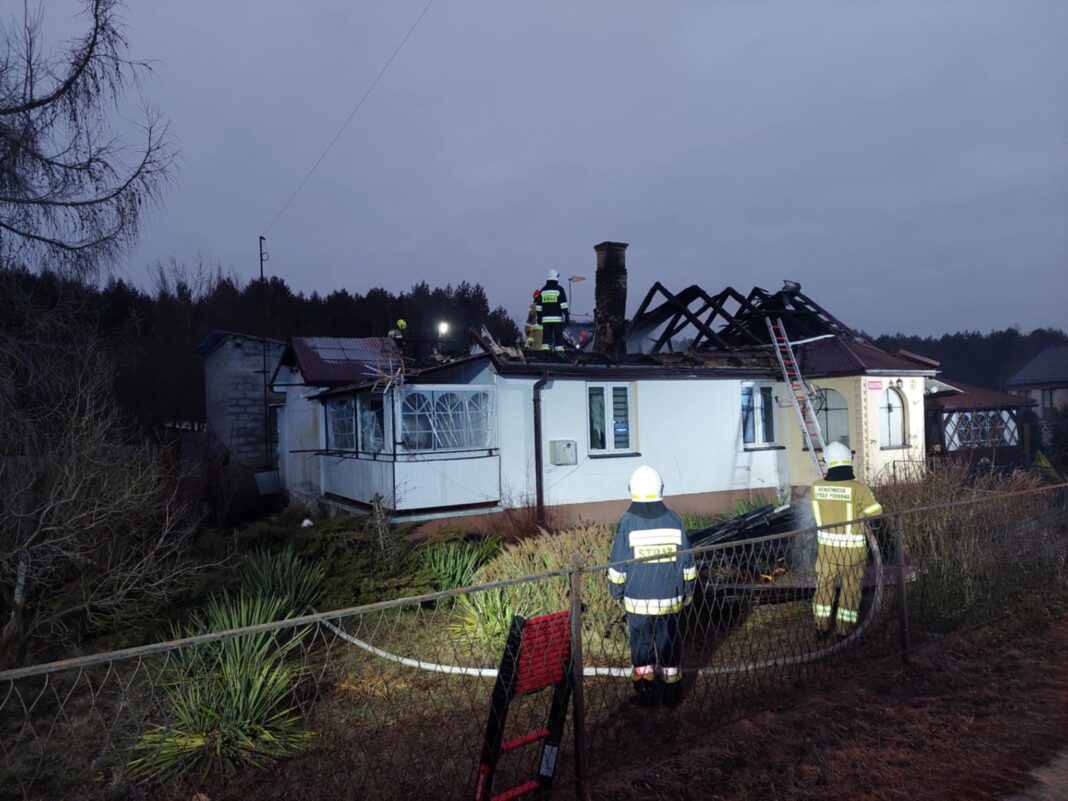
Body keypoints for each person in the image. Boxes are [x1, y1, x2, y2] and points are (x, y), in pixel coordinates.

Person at [607, 466, 697, 707]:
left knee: (642, 649)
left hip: (638, 603)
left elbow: (617, 565)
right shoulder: (674, 519)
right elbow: (687, 562)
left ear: (632, 490)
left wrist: (616, 591)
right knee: (670, 647)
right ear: (660, 489)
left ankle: (645, 694)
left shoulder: (627, 521)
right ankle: (672, 696)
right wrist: (688, 592)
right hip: (669, 601)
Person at [810, 442, 883, 642]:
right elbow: (876, 513)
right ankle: (844, 631)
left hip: (826, 551)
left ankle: (820, 629)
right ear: (849, 461)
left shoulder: (816, 487)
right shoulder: (859, 489)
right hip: (853, 553)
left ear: (827, 463)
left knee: (823, 588)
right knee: (850, 589)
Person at [536, 270, 569, 352]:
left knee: (546, 338)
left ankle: (545, 354)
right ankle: (560, 354)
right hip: (557, 320)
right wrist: (566, 316)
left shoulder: (543, 290)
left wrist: (539, 318)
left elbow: (539, 307)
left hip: (546, 320)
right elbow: (563, 304)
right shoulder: (559, 289)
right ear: (556, 278)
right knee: (558, 338)